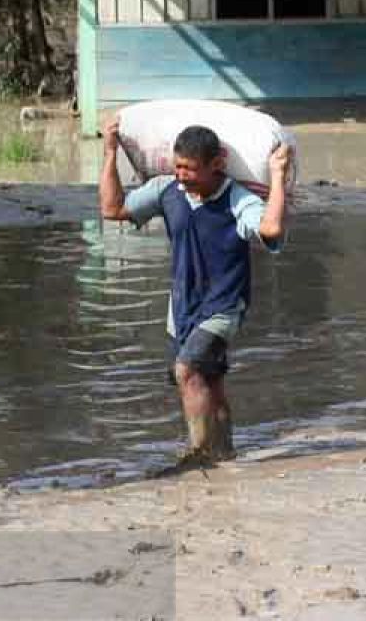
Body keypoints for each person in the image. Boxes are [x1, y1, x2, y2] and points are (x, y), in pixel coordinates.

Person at [100, 119, 290, 466]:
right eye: (178, 168)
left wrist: (277, 176)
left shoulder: (237, 199)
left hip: (224, 307)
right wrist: (111, 152)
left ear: (217, 164)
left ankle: (200, 452)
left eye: (190, 169)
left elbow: (271, 227)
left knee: (187, 371)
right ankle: (225, 451)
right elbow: (113, 209)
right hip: (182, 308)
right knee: (210, 381)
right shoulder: (166, 190)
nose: (182, 176)